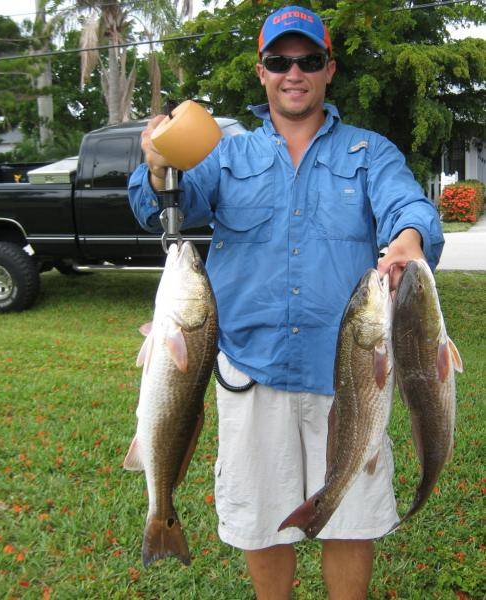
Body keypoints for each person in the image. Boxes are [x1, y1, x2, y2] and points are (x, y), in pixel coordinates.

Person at [128, 5, 444, 599]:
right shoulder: (225, 154)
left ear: (329, 70)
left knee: (350, 520)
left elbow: (411, 208)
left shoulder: (370, 152)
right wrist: (156, 166)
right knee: (262, 521)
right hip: (252, 373)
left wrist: (407, 239)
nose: (293, 72)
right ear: (261, 71)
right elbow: (160, 210)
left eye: (308, 60)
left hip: (349, 374)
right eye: (279, 60)